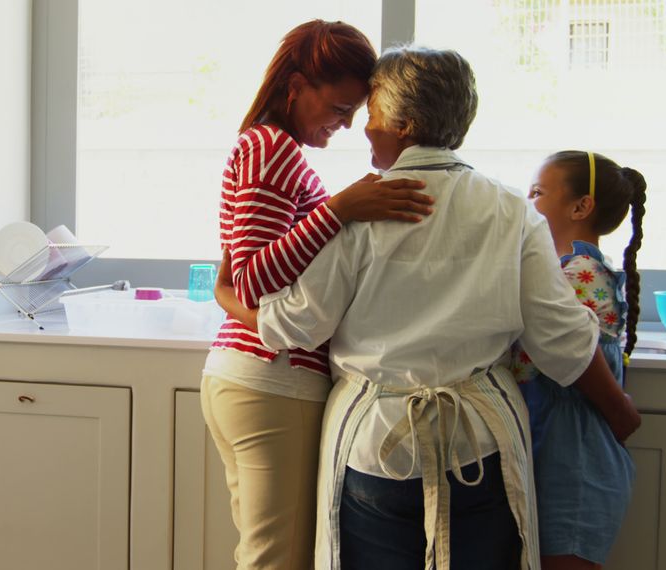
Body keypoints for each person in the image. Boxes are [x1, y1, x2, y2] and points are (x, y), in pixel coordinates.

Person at [214, 45, 641, 570]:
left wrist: (231, 300)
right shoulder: (512, 211)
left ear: (402, 124)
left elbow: (297, 326)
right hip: (481, 446)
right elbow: (562, 341)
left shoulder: (364, 207)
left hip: (374, 449)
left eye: (371, 115)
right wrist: (620, 408)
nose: (363, 129)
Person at [200, 20, 435, 570]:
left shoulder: (268, 149)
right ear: (297, 84)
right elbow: (256, 280)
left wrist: (227, 291)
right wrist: (339, 211)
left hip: (256, 377)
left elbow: (240, 278)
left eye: (356, 113)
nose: (347, 124)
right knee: (278, 559)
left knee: (267, 554)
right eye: (338, 108)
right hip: (273, 378)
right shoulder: (270, 148)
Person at [511, 151, 647, 570]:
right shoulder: (561, 270)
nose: (526, 202)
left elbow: (567, 354)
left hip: (574, 466)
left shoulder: (579, 274)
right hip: (554, 456)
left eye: (537, 192)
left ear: (581, 206)